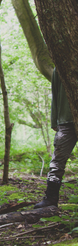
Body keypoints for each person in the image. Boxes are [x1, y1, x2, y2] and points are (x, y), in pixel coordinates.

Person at [35, 67, 77, 208]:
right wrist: (54, 121)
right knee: (57, 162)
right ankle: (51, 198)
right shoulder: (59, 66)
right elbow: (55, 93)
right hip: (66, 121)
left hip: (66, 121)